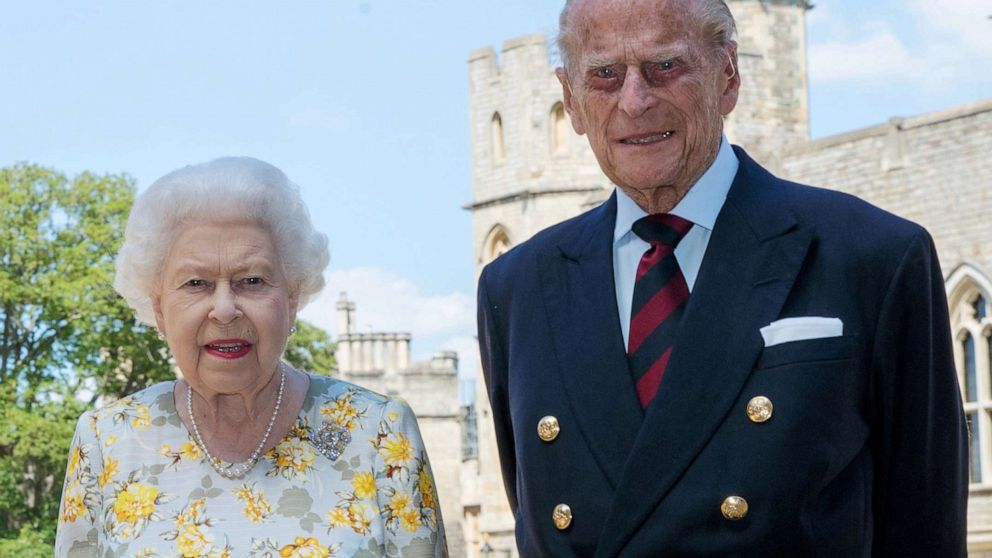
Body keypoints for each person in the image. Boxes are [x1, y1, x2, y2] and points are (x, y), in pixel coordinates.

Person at [476, 0, 968, 555]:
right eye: (605, 75)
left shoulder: (873, 256)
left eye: (665, 67)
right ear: (570, 99)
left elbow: (924, 531)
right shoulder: (515, 288)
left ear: (728, 77)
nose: (634, 101)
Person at [55, 157, 447, 557]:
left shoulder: (379, 432)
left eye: (252, 281)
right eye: (196, 283)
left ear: (291, 300)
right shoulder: (106, 441)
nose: (225, 309)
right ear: (158, 309)